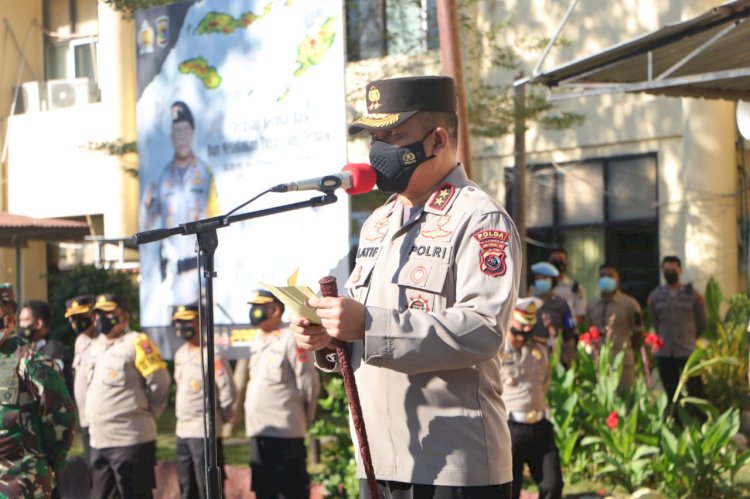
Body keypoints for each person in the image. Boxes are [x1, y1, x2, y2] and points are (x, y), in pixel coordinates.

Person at [291, 75, 521, 498]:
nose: (379, 151)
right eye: (374, 138)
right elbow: (364, 324)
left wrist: (368, 325)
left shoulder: (480, 219)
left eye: (394, 136)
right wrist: (328, 335)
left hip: (454, 466)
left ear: (436, 140)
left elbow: (483, 329)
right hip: (379, 458)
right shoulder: (379, 222)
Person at [140, 100, 219, 322]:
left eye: (185, 130)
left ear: (192, 132)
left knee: (201, 338)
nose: (182, 136)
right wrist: (146, 205)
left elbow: (220, 221)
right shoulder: (162, 176)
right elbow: (145, 225)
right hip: (171, 277)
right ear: (172, 136)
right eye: (177, 131)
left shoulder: (205, 173)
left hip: (198, 272)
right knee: (177, 336)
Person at [86, 294, 171, 499]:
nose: (101, 319)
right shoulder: (95, 346)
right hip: (99, 441)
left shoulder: (137, 343)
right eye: (98, 314)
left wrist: (148, 412)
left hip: (130, 441)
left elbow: (161, 382)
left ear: (124, 317)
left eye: (107, 313)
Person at [0, 283, 77, 497]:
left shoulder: (30, 361)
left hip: (22, 483)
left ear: (9, 321)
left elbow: (61, 416)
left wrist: (54, 459)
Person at [245, 289, 320, 499]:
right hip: (258, 431)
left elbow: (308, 383)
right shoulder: (257, 340)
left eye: (259, 307)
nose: (254, 311)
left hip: (285, 433)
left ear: (275, 310)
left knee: (290, 492)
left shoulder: (290, 338)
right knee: (263, 491)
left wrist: (305, 417)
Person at [501, 297, 563, 499]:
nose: (523, 336)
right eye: (518, 331)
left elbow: (544, 382)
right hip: (510, 428)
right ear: (509, 321)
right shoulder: (496, 351)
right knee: (510, 489)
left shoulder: (540, 350)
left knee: (553, 484)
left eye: (528, 331)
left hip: (539, 425)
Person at [173, 303, 236, 499]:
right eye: (179, 323)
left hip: (204, 432)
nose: (183, 327)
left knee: (208, 489)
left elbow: (228, 391)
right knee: (187, 487)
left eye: (187, 321)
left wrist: (220, 419)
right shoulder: (180, 354)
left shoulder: (212, 354)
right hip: (182, 430)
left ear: (200, 322)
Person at [648, 255, 707, 406]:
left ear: (680, 270)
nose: (670, 273)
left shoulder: (693, 295)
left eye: (673, 270)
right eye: (666, 270)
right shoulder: (655, 296)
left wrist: (691, 337)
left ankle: (699, 422)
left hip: (687, 350)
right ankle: (676, 423)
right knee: (671, 392)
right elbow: (655, 321)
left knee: (696, 390)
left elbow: (701, 322)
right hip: (666, 351)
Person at [585, 264, 643, 393]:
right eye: (602, 276)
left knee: (624, 396)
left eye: (610, 276)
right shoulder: (591, 305)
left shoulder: (630, 304)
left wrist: (626, 350)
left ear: (618, 280)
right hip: (598, 360)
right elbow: (588, 331)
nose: (606, 279)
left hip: (622, 361)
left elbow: (638, 332)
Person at [64, 294, 98, 474]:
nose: (75, 322)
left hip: (102, 421)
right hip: (85, 421)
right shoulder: (80, 342)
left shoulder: (103, 341)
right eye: (72, 318)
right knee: (93, 472)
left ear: (94, 315)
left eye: (80, 317)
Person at [529, 262, 577, 367]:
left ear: (553, 281)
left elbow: (568, 335)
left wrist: (570, 362)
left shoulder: (561, 304)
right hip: (532, 357)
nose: (541, 281)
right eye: (538, 279)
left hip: (555, 356)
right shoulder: (528, 304)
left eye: (545, 278)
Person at [19, 300, 70, 384]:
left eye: (25, 320)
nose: (21, 325)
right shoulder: (27, 348)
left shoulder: (54, 351)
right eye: (20, 320)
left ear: (39, 323)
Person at [548, 248, 586, 326]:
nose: (558, 263)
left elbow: (580, 315)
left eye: (561, 260)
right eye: (554, 260)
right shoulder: (539, 286)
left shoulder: (576, 288)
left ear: (567, 263)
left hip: (566, 332)